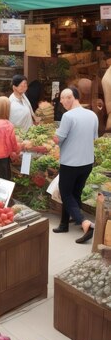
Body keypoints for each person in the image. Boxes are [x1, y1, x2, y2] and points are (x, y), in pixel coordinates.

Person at [53, 87, 98, 242]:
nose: (62, 102)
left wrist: (55, 136)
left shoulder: (68, 116)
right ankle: (64, 224)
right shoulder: (92, 115)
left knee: (65, 194)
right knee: (75, 193)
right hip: (87, 163)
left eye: (64, 98)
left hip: (70, 162)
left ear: (71, 97)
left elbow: (58, 139)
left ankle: (85, 223)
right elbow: (94, 138)